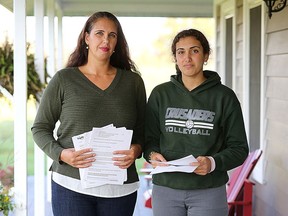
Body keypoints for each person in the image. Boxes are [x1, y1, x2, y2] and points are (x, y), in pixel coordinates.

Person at [31, 11, 146, 216]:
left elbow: (143, 129)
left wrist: (136, 150)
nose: (106, 40)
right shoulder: (64, 80)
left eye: (112, 35)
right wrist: (62, 154)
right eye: (99, 33)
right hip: (71, 187)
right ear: (86, 37)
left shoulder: (133, 82)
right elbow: (40, 128)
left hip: (119, 188)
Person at [143, 28, 249, 216]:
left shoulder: (224, 97)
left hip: (208, 190)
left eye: (195, 50)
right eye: (180, 52)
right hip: (166, 190)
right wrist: (152, 154)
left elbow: (239, 148)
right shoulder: (160, 94)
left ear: (206, 55)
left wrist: (212, 162)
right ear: (175, 58)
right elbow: (149, 139)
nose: (187, 58)